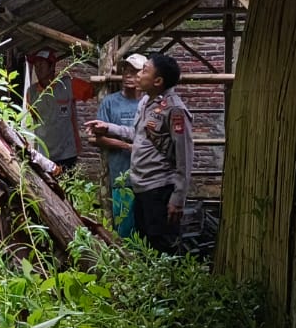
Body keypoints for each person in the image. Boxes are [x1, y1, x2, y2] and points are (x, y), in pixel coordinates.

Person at [86, 53, 192, 252]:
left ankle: (169, 283)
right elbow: (137, 134)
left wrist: (178, 199)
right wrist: (108, 127)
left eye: (144, 71)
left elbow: (185, 158)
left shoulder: (175, 111)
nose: (137, 76)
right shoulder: (146, 103)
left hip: (160, 189)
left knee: (163, 246)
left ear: (158, 81)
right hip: (141, 188)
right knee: (144, 244)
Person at [92, 53, 147, 237]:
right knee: (124, 230)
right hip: (121, 177)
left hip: (148, 179)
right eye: (126, 70)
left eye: (134, 71)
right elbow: (99, 138)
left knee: (147, 232)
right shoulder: (110, 102)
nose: (128, 75)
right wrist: (127, 147)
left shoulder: (149, 103)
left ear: (144, 74)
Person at [27, 49, 79, 173]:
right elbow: (33, 117)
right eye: (36, 65)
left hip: (67, 153)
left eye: (42, 65)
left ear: (52, 67)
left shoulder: (68, 85)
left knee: (68, 189)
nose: (38, 68)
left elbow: (94, 89)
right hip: (44, 155)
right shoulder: (31, 92)